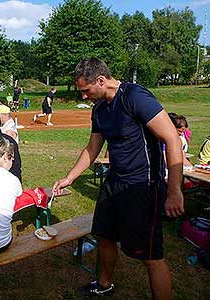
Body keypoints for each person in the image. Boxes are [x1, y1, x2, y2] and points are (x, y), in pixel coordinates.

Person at [53, 58, 184, 299]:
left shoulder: (135, 97)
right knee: (104, 235)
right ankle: (105, 284)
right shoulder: (99, 109)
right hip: (114, 183)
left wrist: (174, 190)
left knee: (150, 256)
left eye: (85, 90)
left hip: (143, 186)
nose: (84, 97)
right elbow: (93, 147)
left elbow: (171, 138)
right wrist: (69, 177)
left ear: (101, 80)